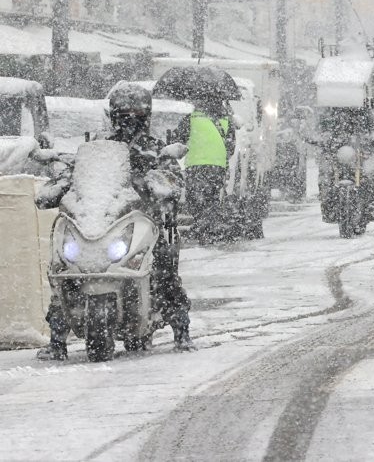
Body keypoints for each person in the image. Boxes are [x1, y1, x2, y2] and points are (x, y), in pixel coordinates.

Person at [36, 84, 195, 359]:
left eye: (134, 115)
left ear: (145, 116)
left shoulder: (155, 148)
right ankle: (56, 337)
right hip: (101, 220)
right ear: (113, 115)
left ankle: (181, 330)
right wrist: (63, 182)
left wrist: (160, 183)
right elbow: (80, 172)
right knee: (64, 266)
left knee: (165, 264)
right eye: (123, 115)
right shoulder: (99, 145)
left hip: (141, 223)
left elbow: (173, 179)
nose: (128, 121)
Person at [316, 106, 374, 236]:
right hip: (341, 160)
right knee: (325, 180)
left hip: (361, 160)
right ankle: (329, 209)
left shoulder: (366, 115)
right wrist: (322, 142)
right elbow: (321, 133)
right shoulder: (330, 115)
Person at [173, 96, 236, 244]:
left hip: (195, 165)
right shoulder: (226, 121)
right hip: (217, 166)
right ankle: (209, 227)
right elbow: (231, 147)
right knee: (212, 197)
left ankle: (201, 225)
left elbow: (178, 141)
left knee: (194, 198)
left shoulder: (190, 119)